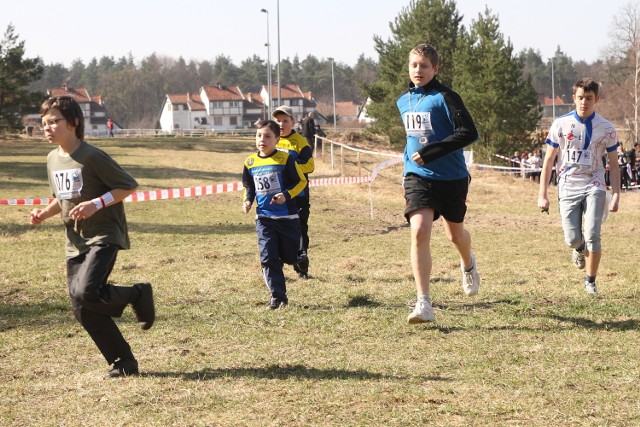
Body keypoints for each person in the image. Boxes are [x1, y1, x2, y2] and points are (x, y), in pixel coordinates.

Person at [29, 95, 155, 377]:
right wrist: (42, 214)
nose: (47, 128)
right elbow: (61, 199)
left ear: (73, 122)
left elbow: (127, 185)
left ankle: (137, 293)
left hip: (104, 235)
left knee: (86, 292)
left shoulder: (92, 156)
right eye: (43, 123)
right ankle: (123, 362)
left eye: (53, 122)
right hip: (74, 242)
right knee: (82, 308)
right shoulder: (52, 159)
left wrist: (96, 204)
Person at [397, 44, 480, 324]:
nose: (418, 70)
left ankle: (468, 263)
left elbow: (468, 132)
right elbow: (413, 138)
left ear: (435, 69)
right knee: (419, 231)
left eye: (424, 66)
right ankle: (424, 303)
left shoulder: (446, 97)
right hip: (417, 177)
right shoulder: (402, 101)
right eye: (414, 65)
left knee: (455, 236)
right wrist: (409, 161)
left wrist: (432, 152)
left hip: (452, 178)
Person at [538, 78, 620, 295]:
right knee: (572, 238)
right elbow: (548, 161)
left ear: (597, 99)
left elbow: (613, 164)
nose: (584, 102)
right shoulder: (560, 124)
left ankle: (590, 281)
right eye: (581, 98)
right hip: (568, 185)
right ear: (574, 98)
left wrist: (617, 194)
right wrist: (543, 194)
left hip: (595, 183)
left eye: (589, 98)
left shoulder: (607, 128)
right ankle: (578, 248)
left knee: (593, 234)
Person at [242, 119, 308, 308]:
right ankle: (278, 297)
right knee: (268, 258)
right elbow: (249, 186)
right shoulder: (250, 162)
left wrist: (286, 195)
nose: (262, 139)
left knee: (289, 257)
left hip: (287, 217)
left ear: (277, 139)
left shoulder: (287, 159)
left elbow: (301, 182)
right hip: (264, 218)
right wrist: (247, 200)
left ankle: (299, 256)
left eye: (268, 136)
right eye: (259, 135)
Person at [272, 105, 315, 279]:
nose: (281, 124)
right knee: (276, 230)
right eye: (278, 121)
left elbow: (310, 166)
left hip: (298, 195)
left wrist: (290, 167)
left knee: (299, 231)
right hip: (276, 194)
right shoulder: (271, 139)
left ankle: (301, 268)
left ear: (293, 122)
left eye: (285, 121)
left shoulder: (299, 141)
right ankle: (277, 267)